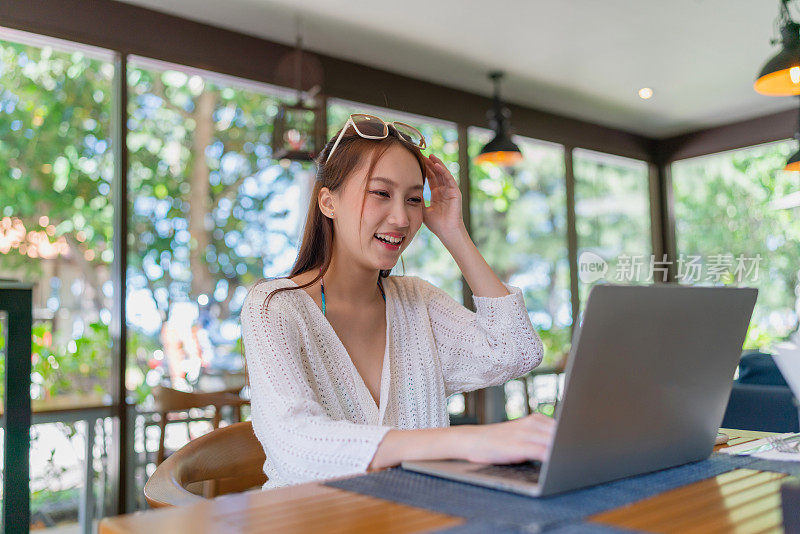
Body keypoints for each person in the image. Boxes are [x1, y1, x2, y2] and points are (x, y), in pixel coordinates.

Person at [241, 113, 554, 489]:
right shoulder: (274, 307)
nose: (402, 218)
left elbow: (516, 350)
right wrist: (470, 440)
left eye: (413, 199)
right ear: (328, 202)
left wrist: (454, 233)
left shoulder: (416, 300)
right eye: (381, 193)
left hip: (417, 518)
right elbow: (297, 446)